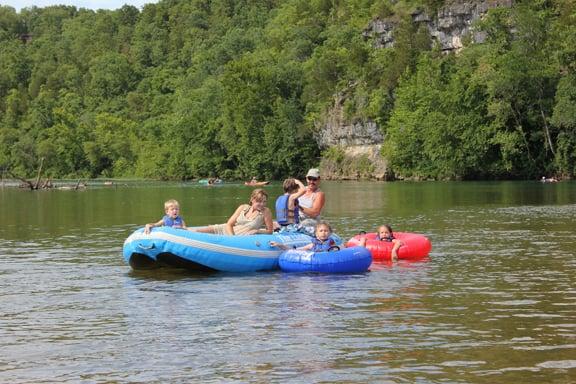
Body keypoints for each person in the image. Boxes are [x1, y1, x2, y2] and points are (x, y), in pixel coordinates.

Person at [193, 189, 274, 235]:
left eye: (264, 202)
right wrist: (232, 238)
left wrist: (257, 231)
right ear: (252, 200)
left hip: (239, 237)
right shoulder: (243, 207)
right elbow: (229, 224)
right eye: (259, 201)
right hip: (226, 231)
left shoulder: (265, 212)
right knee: (197, 232)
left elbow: (270, 231)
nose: (262, 204)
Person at [271, 221, 366, 251]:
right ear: (316, 234)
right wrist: (279, 245)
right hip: (317, 261)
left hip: (331, 259)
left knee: (347, 248)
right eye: (321, 231)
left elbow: (344, 252)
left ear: (329, 233)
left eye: (326, 231)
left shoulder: (332, 244)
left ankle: (361, 244)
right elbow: (295, 250)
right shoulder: (312, 245)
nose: (323, 233)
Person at [298, 168, 326, 235]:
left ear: (319, 180)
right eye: (309, 178)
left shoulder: (319, 194)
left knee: (306, 222)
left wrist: (298, 206)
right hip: (298, 219)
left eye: (314, 179)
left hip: (312, 221)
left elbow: (314, 213)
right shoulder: (300, 190)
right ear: (306, 178)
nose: (311, 182)